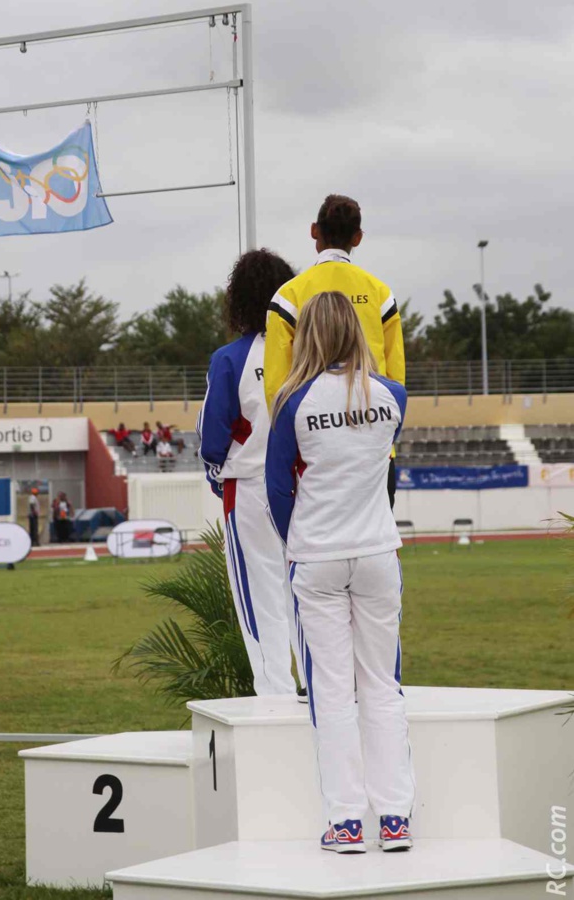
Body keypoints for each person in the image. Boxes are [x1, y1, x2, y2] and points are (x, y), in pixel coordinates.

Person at [266, 291, 414, 854]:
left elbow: (279, 487)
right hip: (378, 552)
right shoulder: (394, 397)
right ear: (357, 330)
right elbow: (378, 465)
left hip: (318, 557)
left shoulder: (292, 402)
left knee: (332, 691)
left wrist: (296, 540)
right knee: (382, 686)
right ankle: (395, 818)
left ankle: (348, 823)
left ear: (306, 336)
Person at [197, 248, 305, 698]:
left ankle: (276, 696)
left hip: (249, 489)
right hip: (304, 485)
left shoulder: (229, 358)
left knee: (260, 599)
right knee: (305, 591)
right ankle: (317, 688)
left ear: (238, 299)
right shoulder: (305, 352)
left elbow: (210, 437)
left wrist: (218, 475)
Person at [264, 194, 405, 508]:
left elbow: (275, 388)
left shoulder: (288, 296)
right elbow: (396, 381)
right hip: (375, 452)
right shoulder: (381, 294)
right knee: (378, 543)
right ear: (357, 238)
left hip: (313, 452)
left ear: (314, 230)